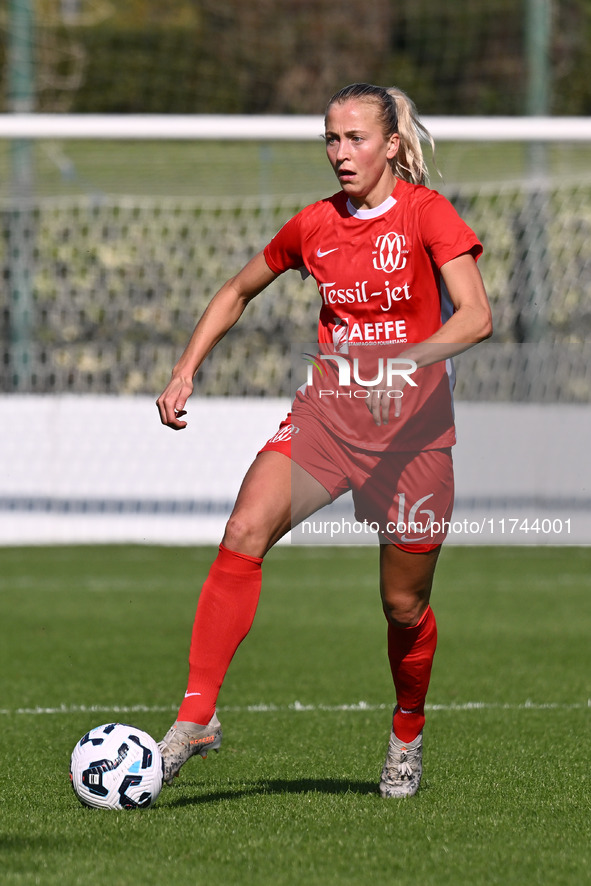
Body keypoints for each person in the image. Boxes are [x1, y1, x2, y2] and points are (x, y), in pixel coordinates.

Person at [156, 82, 492, 798]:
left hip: (413, 442)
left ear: (391, 145)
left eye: (356, 139)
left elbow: (474, 319)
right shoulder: (311, 225)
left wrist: (401, 362)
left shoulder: (426, 216)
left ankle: (407, 729)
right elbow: (236, 290)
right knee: (245, 527)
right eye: (331, 140)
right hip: (327, 421)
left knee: (403, 607)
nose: (341, 154)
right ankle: (196, 718)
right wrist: (186, 369)